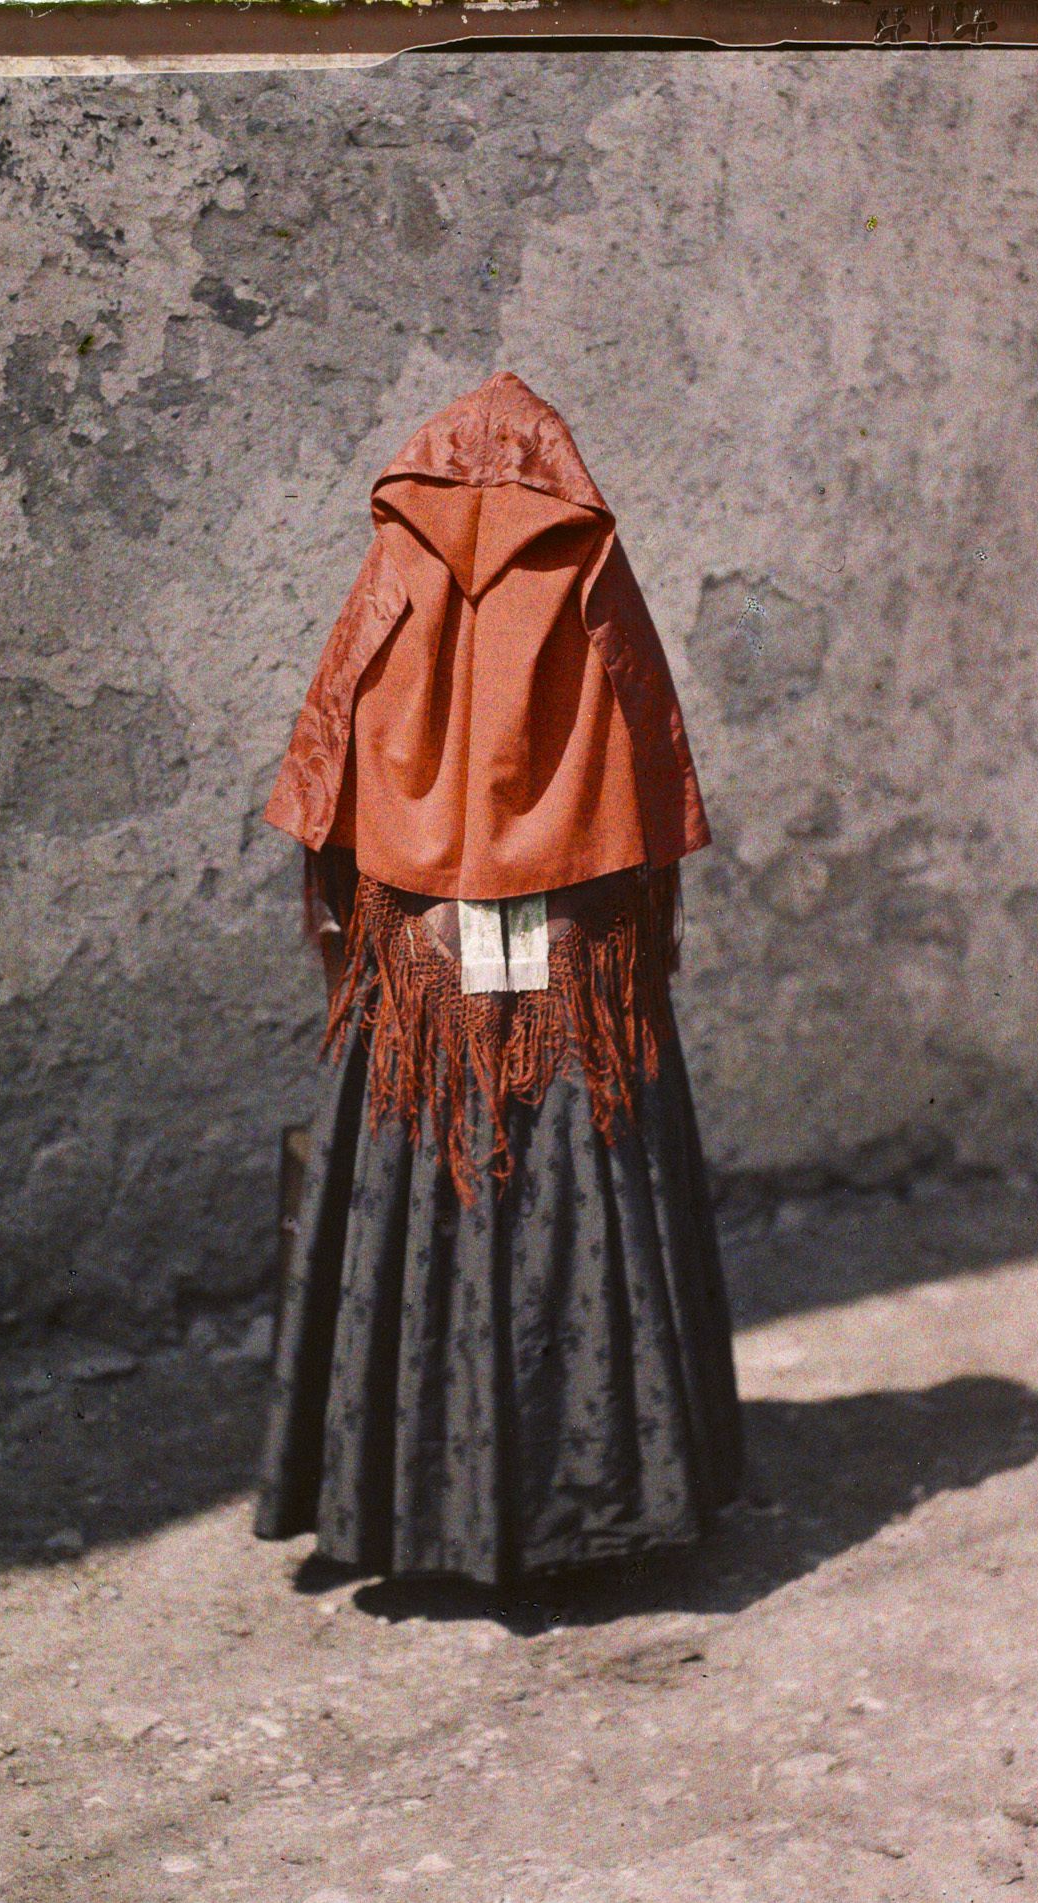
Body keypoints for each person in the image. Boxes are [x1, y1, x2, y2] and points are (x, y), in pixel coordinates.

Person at [252, 369, 744, 1588]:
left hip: (419, 956)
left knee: (424, 1198)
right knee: (588, 1193)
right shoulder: (588, 569)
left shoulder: (393, 572)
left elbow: (325, 769)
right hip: (578, 956)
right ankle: (602, 1497)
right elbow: (649, 776)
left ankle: (416, 1505)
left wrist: (354, 916)